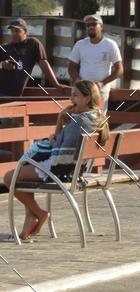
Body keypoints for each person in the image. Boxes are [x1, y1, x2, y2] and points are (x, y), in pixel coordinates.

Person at [3, 80, 109, 240]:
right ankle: (30, 219)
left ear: (87, 98)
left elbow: (59, 153)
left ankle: (39, 213)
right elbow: (62, 143)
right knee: (24, 168)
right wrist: (61, 124)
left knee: (10, 177)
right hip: (76, 169)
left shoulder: (79, 122)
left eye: (75, 96)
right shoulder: (97, 116)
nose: (71, 100)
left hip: (62, 170)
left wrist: (59, 123)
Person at [68, 14, 123, 110]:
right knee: (81, 117)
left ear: (101, 26)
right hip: (82, 91)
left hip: (100, 90)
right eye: (88, 25)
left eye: (94, 24)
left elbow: (119, 69)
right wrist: (79, 82)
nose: (91, 27)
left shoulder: (110, 45)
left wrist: (103, 83)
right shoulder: (80, 45)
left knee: (98, 119)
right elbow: (71, 67)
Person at [0, 18, 61, 97]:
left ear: (25, 31)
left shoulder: (32, 44)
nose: (14, 33)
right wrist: (1, 64)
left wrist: (57, 85)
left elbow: (44, 64)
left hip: (13, 95)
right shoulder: (4, 48)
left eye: (17, 31)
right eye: (12, 31)